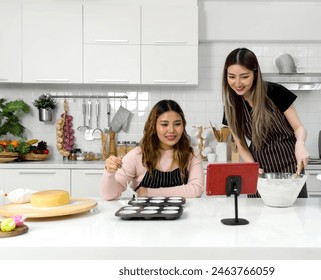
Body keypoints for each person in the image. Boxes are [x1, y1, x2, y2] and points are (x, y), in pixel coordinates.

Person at [221, 48, 309, 198]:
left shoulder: (275, 92)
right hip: (260, 171)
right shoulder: (231, 106)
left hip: (290, 167)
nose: (237, 83)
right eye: (231, 77)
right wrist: (251, 166)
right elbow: (241, 145)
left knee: (294, 216)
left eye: (244, 77)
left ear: (255, 74)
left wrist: (300, 144)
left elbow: (298, 127)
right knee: (259, 218)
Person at [100, 99, 204, 200]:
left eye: (177, 124)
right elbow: (109, 195)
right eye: (164, 124)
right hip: (143, 215)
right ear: (153, 126)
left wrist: (148, 192)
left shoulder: (191, 154)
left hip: (182, 216)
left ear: (183, 125)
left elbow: (196, 189)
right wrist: (109, 173)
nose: (171, 130)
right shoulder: (138, 155)